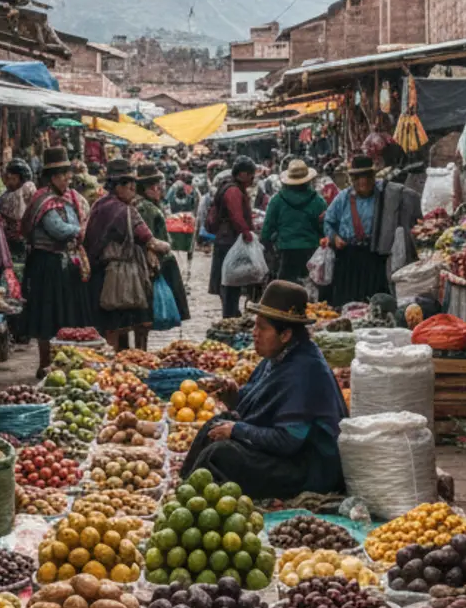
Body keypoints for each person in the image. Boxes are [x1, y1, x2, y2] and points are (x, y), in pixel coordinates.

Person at [179, 280, 347, 498]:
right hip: (289, 454)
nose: (254, 334)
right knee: (217, 424)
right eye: (255, 325)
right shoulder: (279, 355)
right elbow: (259, 407)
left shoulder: (305, 370)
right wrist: (234, 398)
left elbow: (288, 441)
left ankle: (192, 501)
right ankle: (183, 487)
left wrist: (237, 430)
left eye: (262, 328)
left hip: (307, 468)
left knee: (221, 455)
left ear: (285, 334)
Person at [21, 147, 93, 376]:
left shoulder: (68, 198)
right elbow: (58, 230)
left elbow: (76, 223)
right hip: (46, 264)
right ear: (53, 177)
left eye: (68, 174)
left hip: (64, 265)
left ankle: (66, 362)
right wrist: (79, 231)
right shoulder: (44, 201)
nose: (68, 179)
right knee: (47, 314)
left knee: (66, 314)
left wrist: (78, 231)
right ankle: (44, 363)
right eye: (64, 175)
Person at [84, 159, 170, 351]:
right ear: (116, 186)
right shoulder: (124, 211)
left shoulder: (100, 204)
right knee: (120, 323)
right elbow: (150, 240)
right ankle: (118, 363)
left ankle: (114, 361)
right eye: (126, 183)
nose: (132, 187)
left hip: (99, 271)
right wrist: (165, 248)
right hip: (118, 278)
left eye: (133, 183)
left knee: (110, 325)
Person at [322, 155, 421, 306]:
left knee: (375, 302)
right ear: (352, 179)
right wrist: (334, 237)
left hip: (375, 257)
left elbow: (408, 202)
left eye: (367, 176)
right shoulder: (343, 198)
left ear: (373, 176)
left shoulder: (385, 195)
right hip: (349, 257)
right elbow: (329, 222)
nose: (363, 181)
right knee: (348, 301)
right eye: (358, 177)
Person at [135, 163, 190, 341]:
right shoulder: (146, 208)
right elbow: (148, 239)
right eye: (154, 186)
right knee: (146, 314)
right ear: (146, 188)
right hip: (154, 263)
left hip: (149, 262)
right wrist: (162, 248)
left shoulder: (142, 205)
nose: (158, 190)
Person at [207, 156, 260, 318]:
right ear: (242, 174)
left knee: (230, 283)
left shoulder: (232, 188)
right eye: (251, 174)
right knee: (230, 283)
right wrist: (247, 234)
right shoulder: (233, 191)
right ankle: (230, 315)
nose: (252, 178)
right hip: (229, 242)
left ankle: (231, 313)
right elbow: (236, 216)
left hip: (226, 240)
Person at [261, 159, 326, 283]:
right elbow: (324, 228)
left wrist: (266, 246)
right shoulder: (318, 201)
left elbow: (267, 229)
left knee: (285, 289)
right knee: (310, 288)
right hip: (311, 251)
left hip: (285, 252)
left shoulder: (277, 200)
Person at [0, 158, 33, 260]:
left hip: (14, 242)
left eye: (10, 178)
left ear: (17, 178)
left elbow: (17, 216)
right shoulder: (27, 188)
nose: (6, 182)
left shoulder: (18, 193)